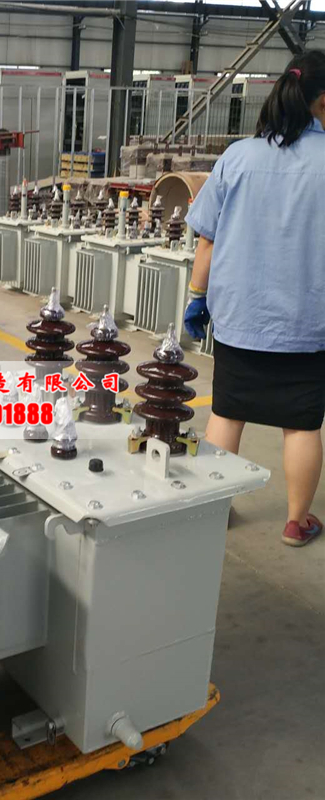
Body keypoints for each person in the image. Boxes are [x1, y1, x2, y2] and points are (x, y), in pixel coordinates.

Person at [184, 50, 325, 548]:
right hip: (308, 326)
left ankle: (216, 510)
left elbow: (206, 241)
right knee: (301, 425)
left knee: (227, 413)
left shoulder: (238, 157)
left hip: (240, 319)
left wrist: (197, 297)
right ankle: (296, 522)